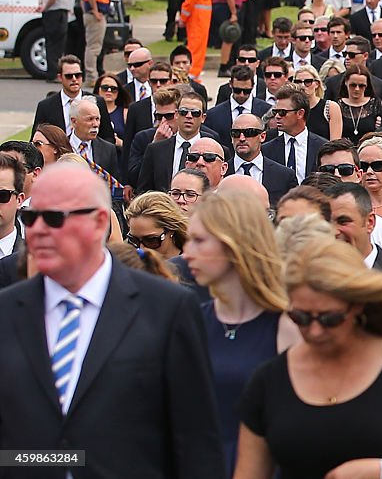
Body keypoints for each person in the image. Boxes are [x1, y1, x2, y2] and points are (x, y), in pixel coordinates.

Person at [0, 163, 224, 476]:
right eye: (31, 217)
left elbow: (195, 439)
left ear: (98, 222)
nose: (37, 230)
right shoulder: (7, 311)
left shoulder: (167, 309)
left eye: (53, 218)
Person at [234, 234, 382, 479]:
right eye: (300, 318)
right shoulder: (270, 380)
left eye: (329, 319)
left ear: (357, 306)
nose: (314, 331)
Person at [182, 190, 301, 474]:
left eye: (199, 241)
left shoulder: (288, 325)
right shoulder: (191, 321)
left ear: (234, 244)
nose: (187, 253)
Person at [124, 191, 189, 260]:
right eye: (133, 240)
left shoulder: (192, 265)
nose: (141, 249)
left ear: (171, 229)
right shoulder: (129, 264)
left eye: (150, 241)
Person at [80, 0, 111, 84]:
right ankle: (91, 76)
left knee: (91, 45)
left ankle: (91, 74)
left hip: (89, 13)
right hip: (95, 15)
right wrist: (95, 10)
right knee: (94, 47)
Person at [293, 65, 342, 140]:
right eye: (298, 82)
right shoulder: (290, 108)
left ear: (317, 84)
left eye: (308, 82)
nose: (302, 86)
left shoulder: (330, 107)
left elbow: (335, 142)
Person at [93, 73, 130, 149]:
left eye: (113, 88)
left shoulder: (125, 113)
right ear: (98, 89)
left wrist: (121, 143)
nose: (109, 91)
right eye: (105, 88)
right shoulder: (91, 112)